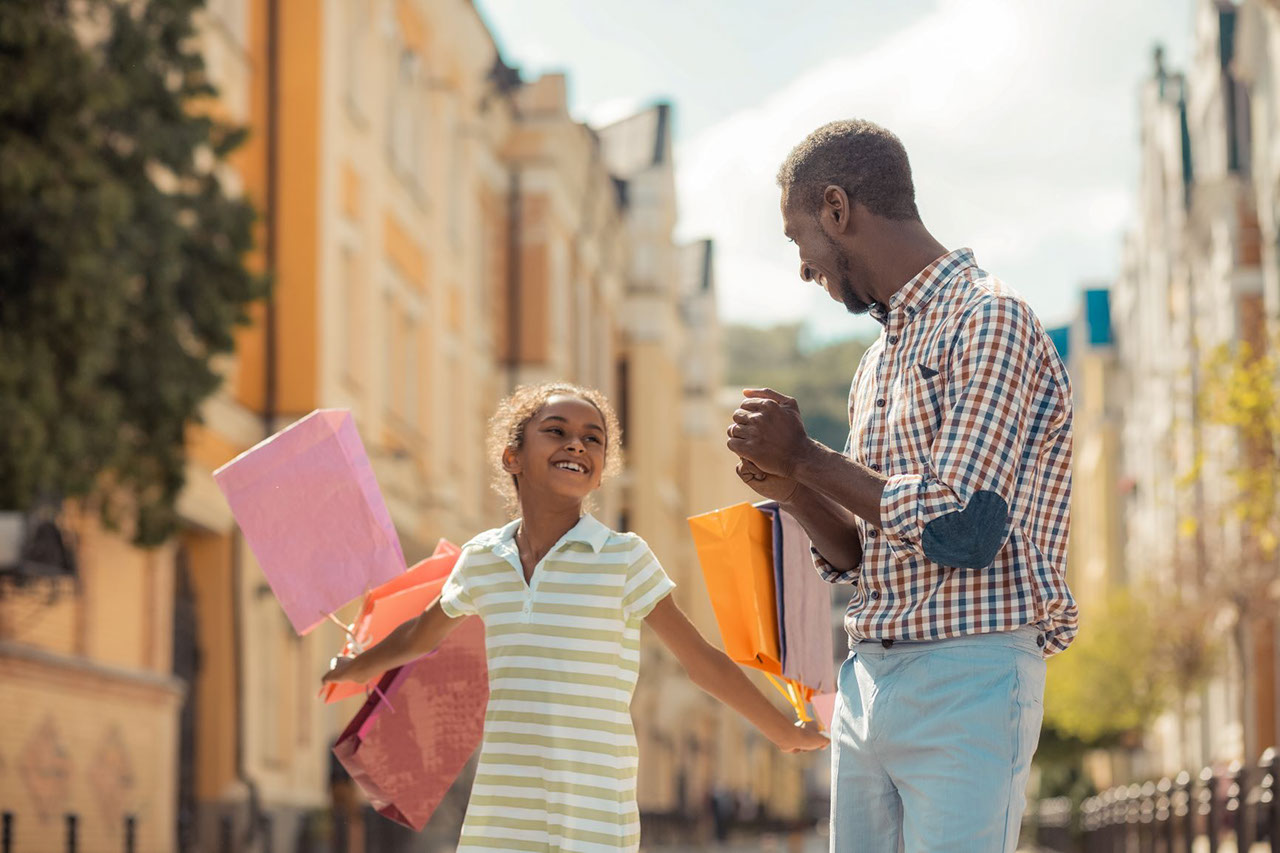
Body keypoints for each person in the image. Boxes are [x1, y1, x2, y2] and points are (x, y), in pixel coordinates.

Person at [727, 119, 1079, 853]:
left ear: (836, 209)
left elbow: (964, 530)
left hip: (969, 671)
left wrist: (811, 455)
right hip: (868, 678)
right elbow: (861, 556)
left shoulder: (990, 318)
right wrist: (791, 482)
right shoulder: (875, 365)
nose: (802, 268)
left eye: (799, 241)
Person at [324, 382, 827, 852]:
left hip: (593, 810)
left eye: (593, 439)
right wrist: (357, 666)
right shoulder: (481, 559)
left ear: (602, 468)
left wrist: (783, 732)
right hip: (503, 808)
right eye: (557, 432)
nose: (577, 446)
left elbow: (701, 662)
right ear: (512, 456)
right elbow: (420, 635)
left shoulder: (623, 558)